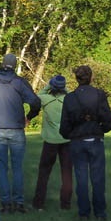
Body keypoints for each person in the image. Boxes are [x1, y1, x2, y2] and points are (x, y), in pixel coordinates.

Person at [0, 53, 41, 213]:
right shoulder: (19, 82)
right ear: (15, 65)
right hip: (17, 130)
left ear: (2, 64)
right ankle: (18, 203)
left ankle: (5, 203)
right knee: (17, 167)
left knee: (2, 168)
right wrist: (29, 116)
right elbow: (36, 102)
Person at [59, 65, 111, 221]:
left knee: (81, 178)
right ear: (91, 77)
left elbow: (64, 126)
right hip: (95, 140)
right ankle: (100, 213)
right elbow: (109, 121)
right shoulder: (99, 94)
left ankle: (83, 213)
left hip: (77, 141)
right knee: (98, 178)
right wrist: (99, 130)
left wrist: (72, 134)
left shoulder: (69, 98)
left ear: (76, 79)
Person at [33, 75, 72, 211]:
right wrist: (63, 87)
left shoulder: (45, 99)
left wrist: (50, 85)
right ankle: (65, 205)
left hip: (50, 141)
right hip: (66, 140)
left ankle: (38, 204)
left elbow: (38, 94)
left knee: (44, 173)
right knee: (66, 174)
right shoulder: (68, 99)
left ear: (52, 87)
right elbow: (71, 94)